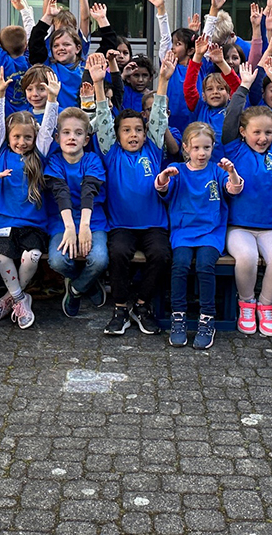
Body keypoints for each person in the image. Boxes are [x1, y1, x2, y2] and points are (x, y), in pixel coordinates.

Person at [92, 53, 175, 337]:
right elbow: (103, 117)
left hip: (154, 225)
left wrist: (163, 79)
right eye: (126, 131)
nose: (133, 135)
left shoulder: (153, 148)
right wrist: (98, 85)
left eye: (138, 130)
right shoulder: (110, 152)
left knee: (162, 255)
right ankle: (120, 308)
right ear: (117, 135)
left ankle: (141, 305)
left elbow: (160, 115)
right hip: (122, 226)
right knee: (117, 254)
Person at [0, 67, 60, 329]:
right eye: (16, 137)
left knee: (33, 257)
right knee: (3, 258)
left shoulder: (39, 154)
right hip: (2, 221)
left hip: (33, 223)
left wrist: (52, 100)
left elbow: (49, 127)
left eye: (27, 137)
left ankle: (11, 296)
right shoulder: (0, 152)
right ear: (9, 136)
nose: (22, 142)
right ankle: (19, 298)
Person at [223, 59, 272, 338]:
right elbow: (231, 118)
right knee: (247, 259)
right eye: (257, 132)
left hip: (270, 227)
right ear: (243, 133)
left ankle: (265, 305)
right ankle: (246, 303)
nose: (263, 137)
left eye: (268, 132)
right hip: (239, 226)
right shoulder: (235, 149)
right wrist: (243, 87)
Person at [157, 124, 244, 350]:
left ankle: (207, 318)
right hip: (183, 232)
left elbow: (234, 189)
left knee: (206, 266)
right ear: (186, 148)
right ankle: (178, 317)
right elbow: (162, 189)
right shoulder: (177, 169)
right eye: (196, 148)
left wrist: (232, 172)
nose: (202, 153)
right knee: (180, 265)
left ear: (213, 147)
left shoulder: (217, 170)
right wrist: (164, 176)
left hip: (210, 232)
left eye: (206, 147)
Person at [47, 100, 111, 319]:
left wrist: (83, 227)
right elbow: (60, 192)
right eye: (66, 132)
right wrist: (70, 228)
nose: (71, 137)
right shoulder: (54, 162)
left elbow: (89, 191)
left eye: (78, 133)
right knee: (57, 260)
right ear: (57, 138)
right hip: (62, 222)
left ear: (86, 138)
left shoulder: (93, 160)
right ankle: (88, 284)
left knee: (100, 259)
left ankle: (74, 289)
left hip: (93, 221)